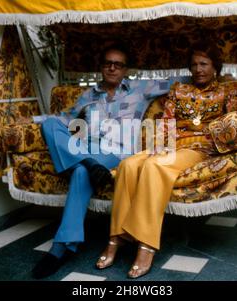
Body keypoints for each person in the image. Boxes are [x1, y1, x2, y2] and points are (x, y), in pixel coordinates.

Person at [95, 43, 237, 279]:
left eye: (204, 64)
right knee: (128, 165)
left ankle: (146, 245)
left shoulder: (226, 91)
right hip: (172, 145)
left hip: (200, 147)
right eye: (194, 65)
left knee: (154, 166)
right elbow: (166, 120)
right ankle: (115, 238)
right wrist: (160, 146)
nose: (198, 69)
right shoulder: (179, 90)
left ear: (215, 67)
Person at [29, 43, 176, 279]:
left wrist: (219, 73)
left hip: (117, 152)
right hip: (88, 148)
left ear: (125, 69)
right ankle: (87, 162)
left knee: (79, 172)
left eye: (118, 64)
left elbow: (177, 80)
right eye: (108, 63)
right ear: (101, 67)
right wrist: (34, 119)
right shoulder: (88, 95)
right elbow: (65, 119)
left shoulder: (140, 88)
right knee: (51, 125)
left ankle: (60, 248)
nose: (112, 68)